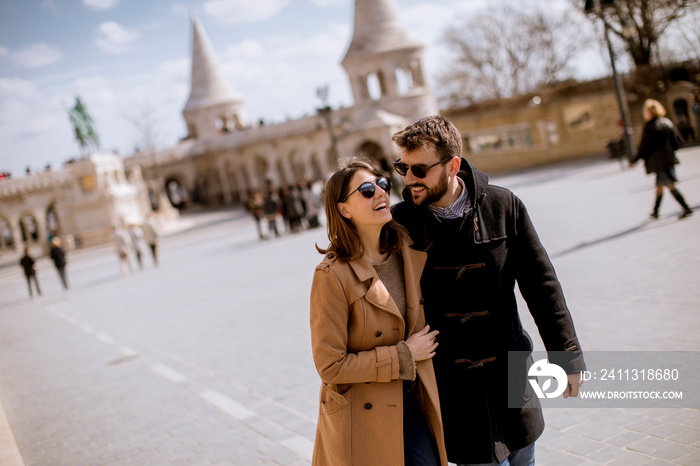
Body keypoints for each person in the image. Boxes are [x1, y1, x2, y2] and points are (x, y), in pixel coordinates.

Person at [390, 115, 585, 466]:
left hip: (512, 371)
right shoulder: (400, 224)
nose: (408, 179)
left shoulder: (503, 206)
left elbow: (542, 285)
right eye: (402, 167)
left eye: (419, 170)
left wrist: (566, 353)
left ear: (452, 166)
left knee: (524, 456)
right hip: (452, 383)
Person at [310, 158, 448, 466]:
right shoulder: (331, 275)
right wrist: (403, 356)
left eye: (383, 185)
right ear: (343, 209)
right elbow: (330, 366)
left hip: (413, 400)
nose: (381, 194)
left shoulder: (406, 251)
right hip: (363, 415)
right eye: (367, 190)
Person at [630, 99, 693, 220]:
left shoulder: (650, 127)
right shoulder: (666, 122)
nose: (644, 114)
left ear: (651, 112)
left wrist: (635, 160)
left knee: (670, 185)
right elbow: (677, 142)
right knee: (659, 187)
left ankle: (686, 207)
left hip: (658, 162)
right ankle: (655, 211)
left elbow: (644, 147)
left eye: (645, 111)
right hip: (668, 159)